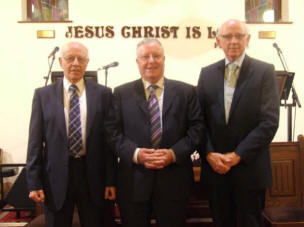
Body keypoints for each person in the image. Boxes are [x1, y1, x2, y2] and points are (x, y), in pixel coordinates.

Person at [105, 38, 204, 227]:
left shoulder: (186, 92)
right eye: (145, 57)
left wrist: (174, 154)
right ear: (137, 62)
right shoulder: (121, 93)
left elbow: (197, 129)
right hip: (133, 182)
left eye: (156, 56)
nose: (151, 61)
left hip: (174, 181)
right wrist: (136, 154)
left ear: (164, 59)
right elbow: (112, 133)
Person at [197, 19, 280, 227]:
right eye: (227, 36)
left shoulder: (264, 72)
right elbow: (198, 121)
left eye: (239, 36)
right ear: (218, 41)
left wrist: (237, 155)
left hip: (250, 169)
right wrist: (208, 154)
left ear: (248, 39)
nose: (233, 41)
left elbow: (269, 122)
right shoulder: (207, 74)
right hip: (215, 170)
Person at [26, 41, 116, 227]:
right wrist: (34, 181)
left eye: (81, 59)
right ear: (60, 61)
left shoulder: (104, 94)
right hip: (56, 177)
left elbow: (109, 143)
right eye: (70, 58)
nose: (75, 63)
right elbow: (35, 141)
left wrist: (110, 181)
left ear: (87, 62)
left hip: (93, 176)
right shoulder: (43, 95)